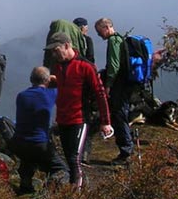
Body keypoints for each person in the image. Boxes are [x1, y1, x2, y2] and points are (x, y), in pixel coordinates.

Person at [46, 32, 113, 185]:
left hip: (80, 118)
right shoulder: (57, 66)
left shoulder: (85, 66)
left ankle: (76, 192)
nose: (54, 53)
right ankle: (74, 188)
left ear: (67, 46)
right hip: (62, 119)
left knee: (74, 158)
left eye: (56, 50)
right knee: (69, 158)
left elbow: (100, 93)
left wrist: (105, 121)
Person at [9, 66, 68, 194]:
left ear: (31, 79)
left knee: (28, 159)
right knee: (61, 169)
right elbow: (64, 85)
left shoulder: (21, 96)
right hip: (40, 144)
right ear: (47, 81)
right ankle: (48, 191)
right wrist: (54, 79)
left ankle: (25, 185)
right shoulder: (50, 94)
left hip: (19, 142)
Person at [94, 17, 134, 165]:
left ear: (106, 28)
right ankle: (127, 149)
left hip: (119, 84)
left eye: (99, 32)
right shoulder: (120, 39)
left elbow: (114, 65)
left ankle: (126, 152)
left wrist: (108, 84)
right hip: (126, 83)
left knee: (119, 114)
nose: (99, 35)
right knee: (121, 113)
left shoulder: (113, 41)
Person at [73, 17, 97, 164]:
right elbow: (91, 59)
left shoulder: (70, 43)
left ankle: (76, 150)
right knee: (85, 117)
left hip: (73, 84)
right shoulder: (87, 41)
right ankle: (84, 152)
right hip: (85, 83)